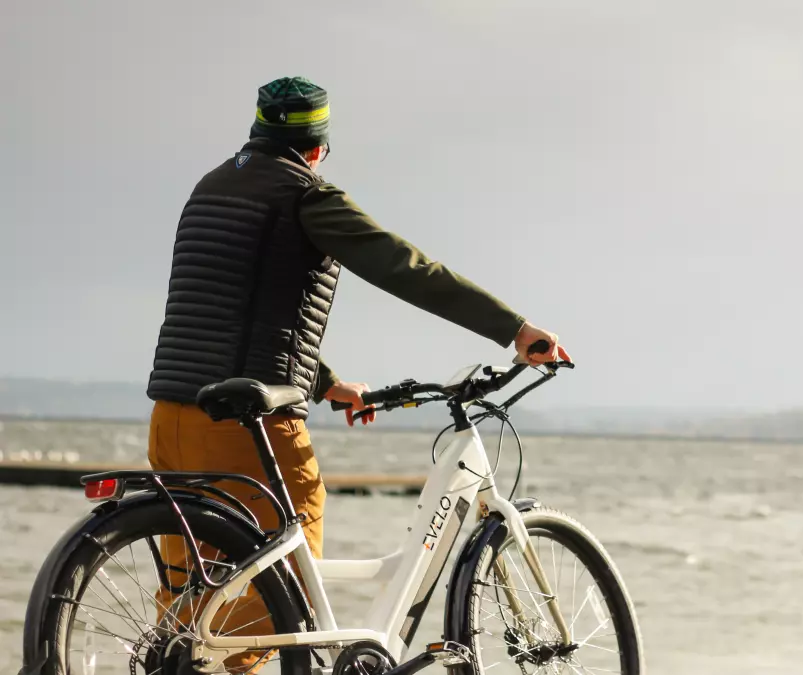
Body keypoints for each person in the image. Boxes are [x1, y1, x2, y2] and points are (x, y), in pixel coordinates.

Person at [142, 76, 569, 670]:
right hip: (247, 428)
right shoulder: (304, 196)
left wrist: (325, 382)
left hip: (173, 416)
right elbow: (406, 267)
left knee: (195, 599)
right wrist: (515, 329)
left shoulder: (212, 188)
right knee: (274, 600)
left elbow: (238, 309)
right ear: (317, 144)